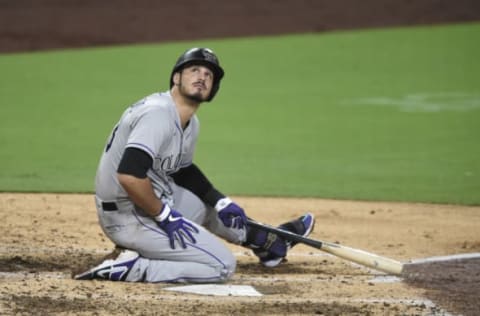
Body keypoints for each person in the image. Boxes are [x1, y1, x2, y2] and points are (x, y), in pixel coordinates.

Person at [74, 47, 315, 283]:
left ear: (213, 89)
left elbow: (181, 170)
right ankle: (132, 268)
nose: (202, 76)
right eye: (194, 70)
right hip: (129, 215)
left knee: (208, 207)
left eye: (209, 75)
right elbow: (129, 175)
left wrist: (221, 200)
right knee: (221, 266)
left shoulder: (190, 121)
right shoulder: (157, 115)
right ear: (176, 77)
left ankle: (266, 242)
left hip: (145, 205)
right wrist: (165, 216)